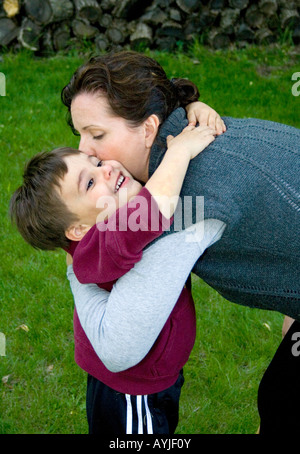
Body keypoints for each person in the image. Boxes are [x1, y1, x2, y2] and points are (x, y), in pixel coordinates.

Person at [60, 51, 300, 373]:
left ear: (148, 129)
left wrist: (76, 268)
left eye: (97, 134)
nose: (83, 150)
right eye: (81, 134)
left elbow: (116, 348)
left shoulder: (182, 209)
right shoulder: (192, 128)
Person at [10, 125, 222, 434]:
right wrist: (179, 152)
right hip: (133, 392)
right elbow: (153, 210)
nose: (107, 169)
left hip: (141, 377)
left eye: (95, 162)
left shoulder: (96, 235)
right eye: (91, 182)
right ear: (78, 230)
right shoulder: (104, 240)